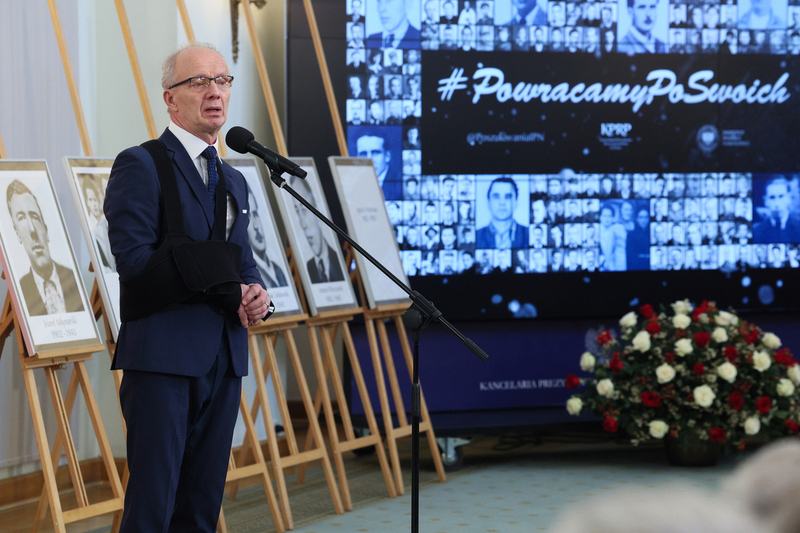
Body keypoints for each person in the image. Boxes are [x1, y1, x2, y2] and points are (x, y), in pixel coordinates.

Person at [103, 43, 272, 532]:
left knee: (201, 507)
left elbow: (242, 260)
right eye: (199, 82)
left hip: (224, 356)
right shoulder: (141, 164)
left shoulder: (233, 180)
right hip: (163, 358)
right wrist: (225, 282)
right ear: (169, 98)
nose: (214, 92)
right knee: (153, 507)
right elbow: (133, 261)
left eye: (222, 81)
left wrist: (255, 291)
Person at [7, 180, 85, 316]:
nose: (32, 230)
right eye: (21, 218)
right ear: (17, 234)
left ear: (46, 229)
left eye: (34, 217)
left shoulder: (72, 278)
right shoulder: (20, 290)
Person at [290, 177, 346, 283]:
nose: (303, 224)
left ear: (317, 209)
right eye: (297, 211)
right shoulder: (308, 267)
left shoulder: (337, 261)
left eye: (304, 209)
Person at [246, 182, 288, 288]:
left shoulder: (278, 270)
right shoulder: (249, 276)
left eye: (255, 214)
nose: (256, 226)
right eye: (248, 218)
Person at [476, 176, 528, 249]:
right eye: (496, 197)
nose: (502, 203)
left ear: (516, 202)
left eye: (508, 197)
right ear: (488, 202)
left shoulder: (529, 234)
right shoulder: (476, 236)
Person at [356, 131, 402, 200]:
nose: (369, 159)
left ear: (387, 156)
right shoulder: (353, 184)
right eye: (363, 154)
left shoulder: (400, 185)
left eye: (375, 153)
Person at [753, 176, 800, 243]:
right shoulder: (756, 232)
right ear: (765, 201)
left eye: (781, 196)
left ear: (788, 198)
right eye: (772, 197)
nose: (777, 204)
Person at [599, 204, 627, 271]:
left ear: (613, 218)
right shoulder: (596, 230)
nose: (607, 219)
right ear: (600, 217)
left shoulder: (618, 229)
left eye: (609, 216)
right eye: (604, 216)